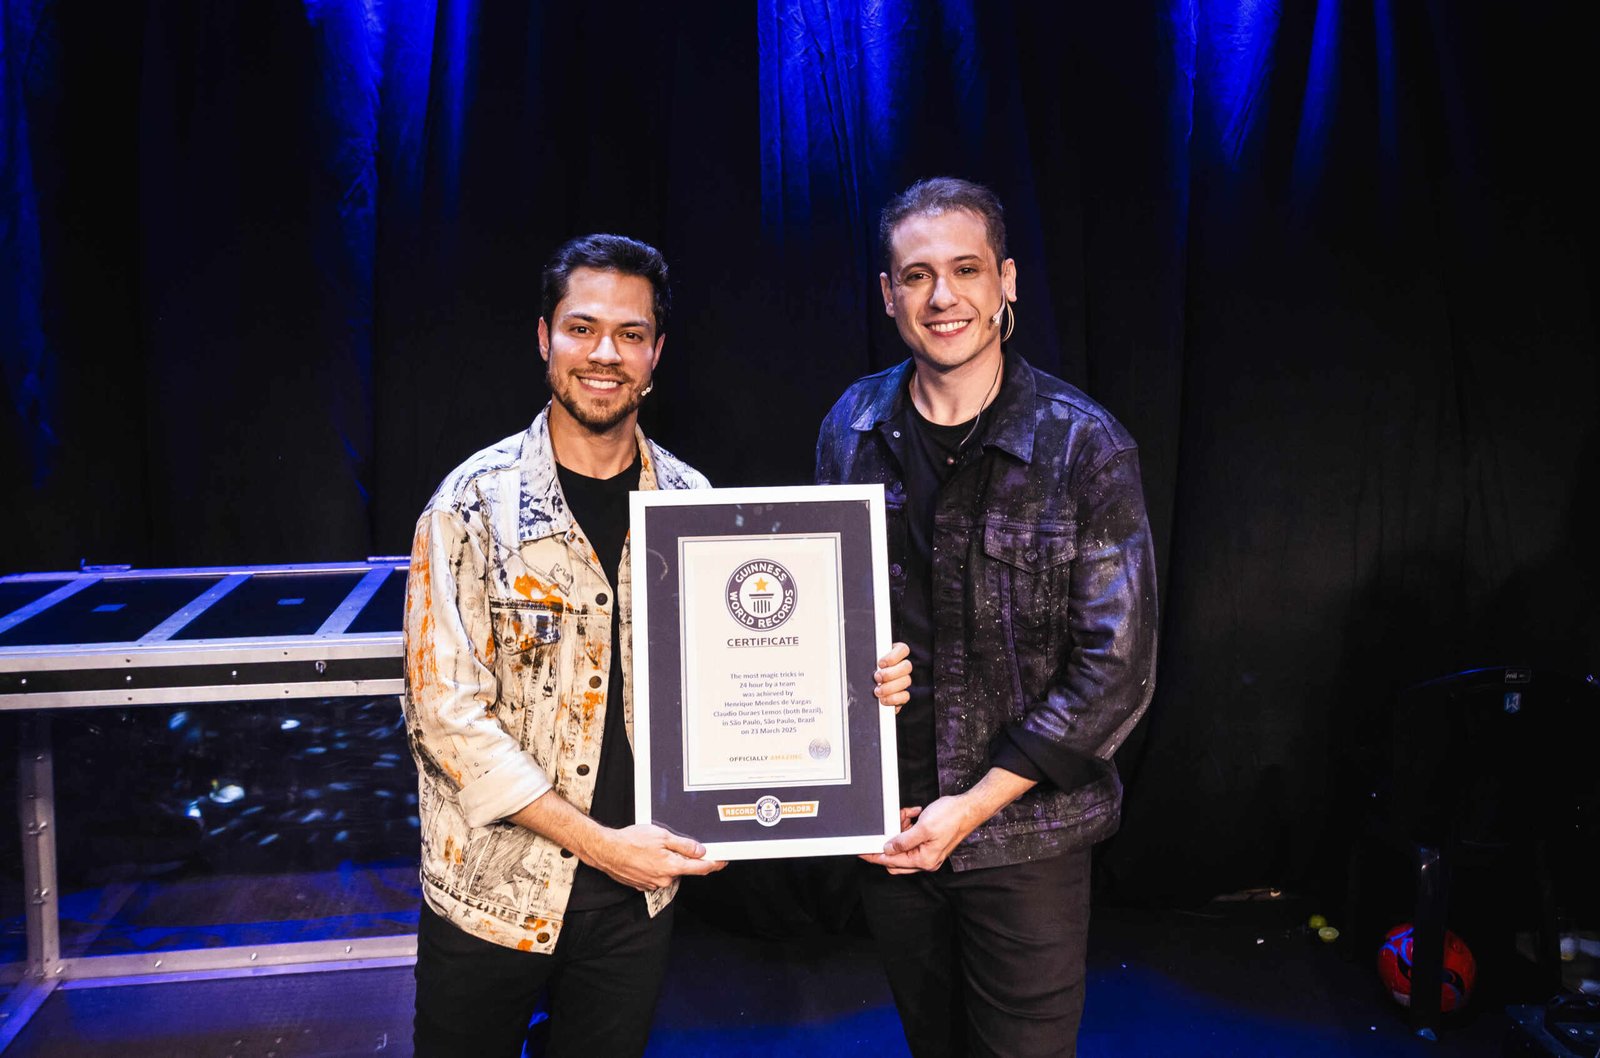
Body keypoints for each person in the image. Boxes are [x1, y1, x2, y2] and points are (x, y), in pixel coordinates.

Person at [404, 232, 910, 1057]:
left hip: (633, 908)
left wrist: (856, 677)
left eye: (630, 335)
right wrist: (606, 847)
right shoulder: (468, 508)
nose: (605, 354)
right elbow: (445, 720)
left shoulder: (694, 506)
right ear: (544, 338)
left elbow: (747, 665)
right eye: (582, 328)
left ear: (656, 355)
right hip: (490, 896)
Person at [815, 178, 1159, 1058]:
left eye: (965, 269)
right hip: (889, 824)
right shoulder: (850, 426)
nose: (942, 296)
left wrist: (970, 809)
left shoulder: (1084, 444)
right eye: (917, 274)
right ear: (887, 295)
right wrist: (847, 676)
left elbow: (1116, 672)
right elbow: (824, 621)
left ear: (1007, 281)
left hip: (1025, 837)